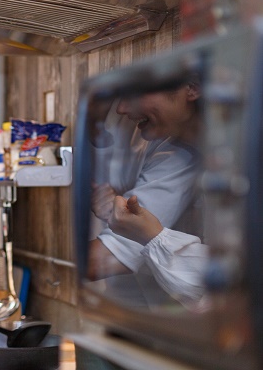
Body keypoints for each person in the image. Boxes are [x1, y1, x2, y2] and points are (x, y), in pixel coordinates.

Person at [86, 78, 205, 308]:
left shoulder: (183, 157)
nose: (121, 109)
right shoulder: (161, 140)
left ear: (192, 88)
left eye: (133, 94)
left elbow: (110, 256)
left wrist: (152, 235)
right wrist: (117, 209)